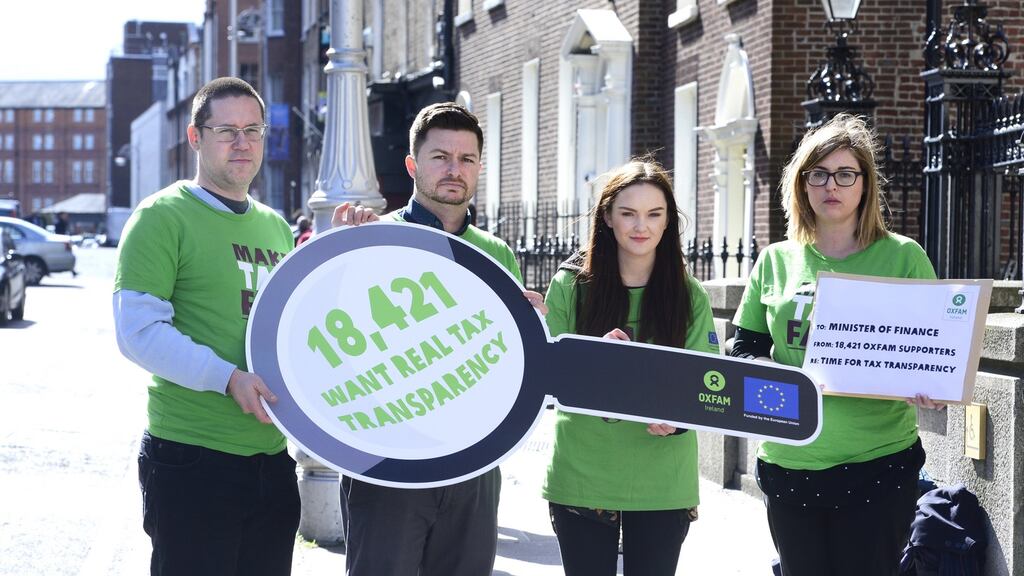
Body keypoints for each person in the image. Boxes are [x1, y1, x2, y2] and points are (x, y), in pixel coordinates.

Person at [730, 113, 945, 576]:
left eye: (846, 174)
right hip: (789, 462)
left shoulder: (903, 257)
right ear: (802, 184)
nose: (833, 185)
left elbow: (934, 353)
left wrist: (929, 388)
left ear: (865, 184)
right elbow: (742, 352)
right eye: (819, 174)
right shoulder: (775, 261)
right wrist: (793, 379)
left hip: (879, 465)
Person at [337, 101, 545, 576]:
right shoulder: (371, 238)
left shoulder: (497, 254)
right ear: (412, 164)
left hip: (473, 466)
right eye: (440, 157)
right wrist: (340, 258)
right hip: (389, 462)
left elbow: (510, 366)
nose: (455, 170)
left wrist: (530, 329)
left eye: (467, 159)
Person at [113, 77, 301, 576]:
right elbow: (137, 332)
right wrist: (227, 377)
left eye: (253, 130)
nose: (242, 143)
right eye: (227, 130)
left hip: (272, 458)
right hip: (192, 458)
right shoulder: (162, 216)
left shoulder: (276, 226)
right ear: (195, 138)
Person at [541, 159, 720, 576]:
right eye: (628, 213)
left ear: (668, 222)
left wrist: (676, 419)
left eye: (654, 214)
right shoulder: (570, 285)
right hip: (583, 476)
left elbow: (708, 383)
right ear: (607, 217)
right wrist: (594, 360)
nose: (642, 226)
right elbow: (547, 377)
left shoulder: (689, 294)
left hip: (663, 482)